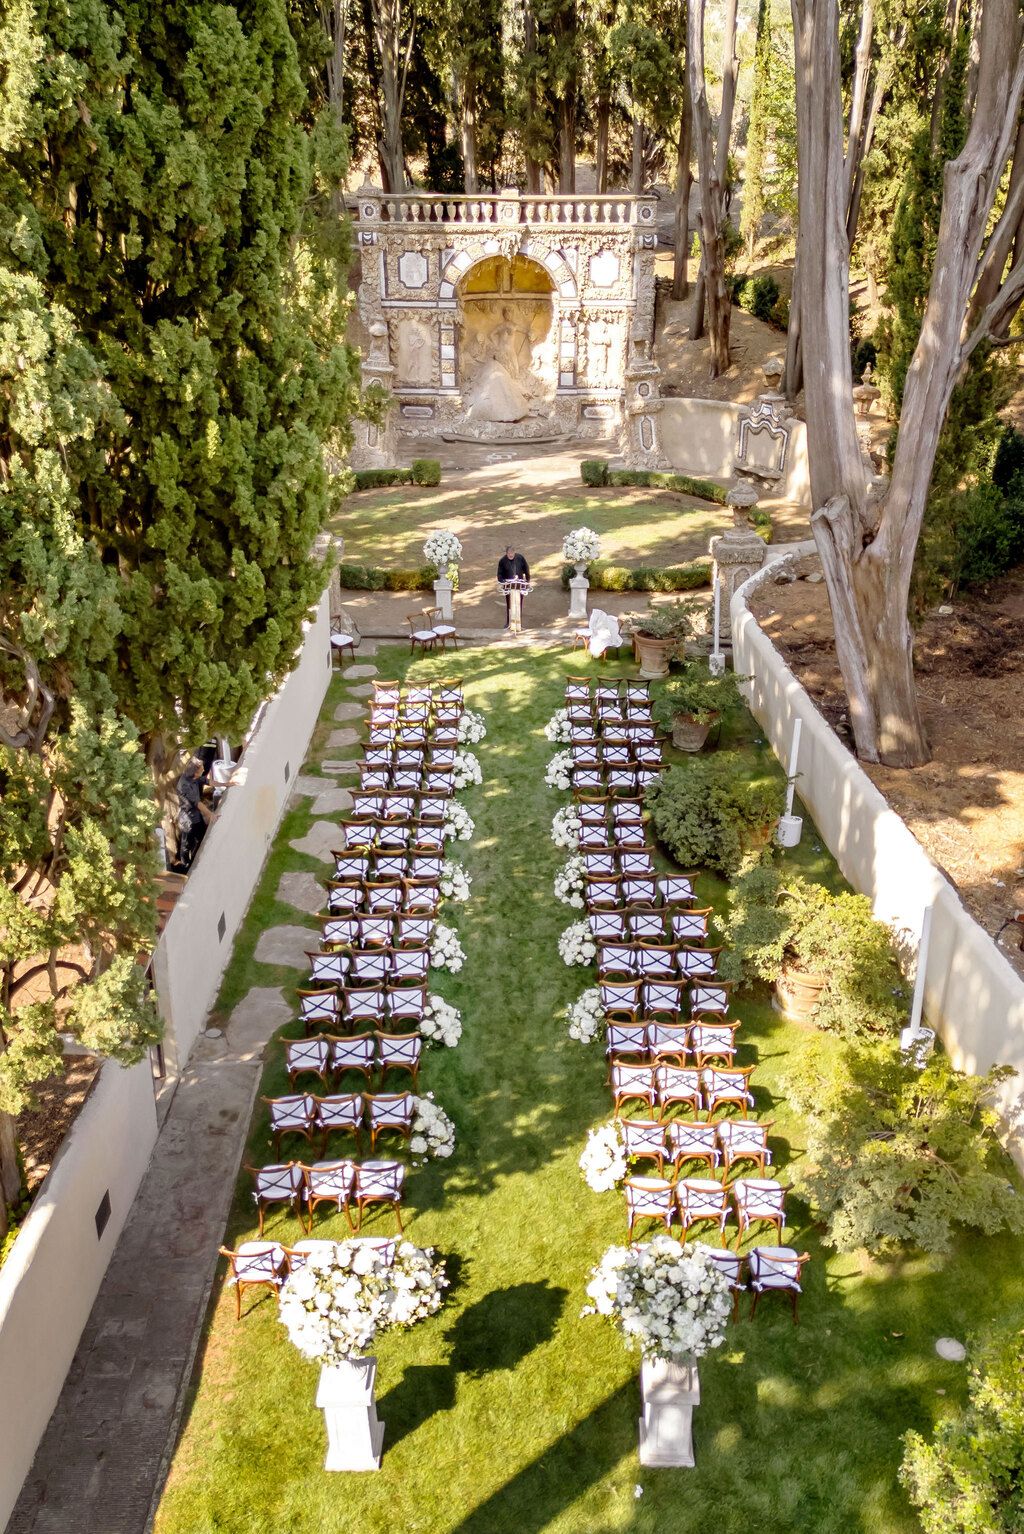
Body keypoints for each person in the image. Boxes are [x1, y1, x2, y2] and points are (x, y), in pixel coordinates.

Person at [175, 756, 216, 872]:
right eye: (201, 769)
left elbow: (207, 781)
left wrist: (227, 783)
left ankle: (198, 859)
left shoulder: (194, 778)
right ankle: (184, 866)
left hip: (196, 817)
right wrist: (210, 814)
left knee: (202, 837)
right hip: (187, 820)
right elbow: (196, 803)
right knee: (186, 843)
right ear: (195, 772)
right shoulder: (184, 785)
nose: (203, 770)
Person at [496, 545, 530, 629]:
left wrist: (528, 580)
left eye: (512, 554)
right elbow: (499, 574)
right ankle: (509, 622)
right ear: (506, 553)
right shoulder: (502, 561)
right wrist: (503, 582)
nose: (511, 555)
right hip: (508, 586)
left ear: (514, 552)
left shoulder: (520, 558)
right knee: (509, 605)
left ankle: (518, 623)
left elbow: (526, 569)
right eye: (509, 554)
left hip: (519, 585)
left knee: (519, 604)